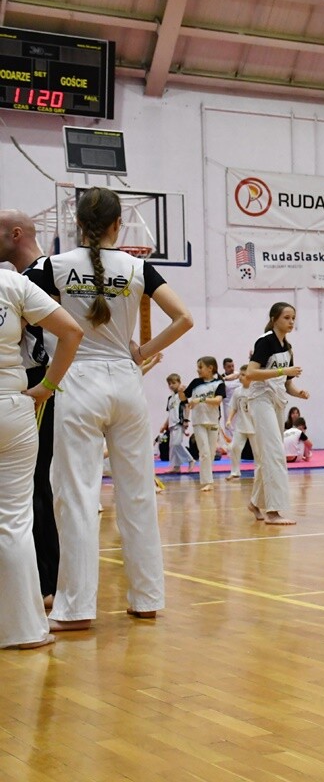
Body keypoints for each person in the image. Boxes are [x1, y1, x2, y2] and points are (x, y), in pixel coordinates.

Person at [31, 186, 194, 631]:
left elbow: (25, 316)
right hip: (126, 381)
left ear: (77, 224)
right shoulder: (138, 267)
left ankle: (76, 608)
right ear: (119, 225)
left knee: (77, 496)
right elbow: (184, 318)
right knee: (138, 493)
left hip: (77, 382)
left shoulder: (52, 267)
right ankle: (147, 598)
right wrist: (141, 352)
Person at [0, 266, 82, 649]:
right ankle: (26, 631)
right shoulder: (12, 283)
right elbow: (72, 331)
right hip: (13, 406)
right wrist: (47, 386)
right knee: (15, 522)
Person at [0, 210, 70, 608]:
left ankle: (47, 582)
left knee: (34, 484)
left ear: (15, 234)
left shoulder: (40, 274)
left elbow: (71, 332)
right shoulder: (30, 276)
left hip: (43, 381)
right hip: (40, 382)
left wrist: (47, 385)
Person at [244, 301, 309, 526]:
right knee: (274, 453)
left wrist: (299, 392)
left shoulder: (287, 347)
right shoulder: (265, 342)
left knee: (269, 455)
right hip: (261, 400)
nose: (291, 322)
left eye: (293, 318)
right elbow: (251, 373)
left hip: (278, 401)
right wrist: (283, 370)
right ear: (274, 319)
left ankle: (255, 502)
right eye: (286, 318)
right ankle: (273, 511)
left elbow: (287, 383)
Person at [185, 356, 226, 491]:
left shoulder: (219, 383)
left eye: (200, 367)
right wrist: (180, 391)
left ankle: (208, 479)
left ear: (210, 368)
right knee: (204, 452)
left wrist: (200, 400)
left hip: (213, 421)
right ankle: (208, 481)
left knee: (211, 453)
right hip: (199, 421)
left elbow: (218, 400)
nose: (198, 370)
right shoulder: (195, 383)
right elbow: (184, 396)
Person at [161, 373, 194, 473]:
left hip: (179, 423)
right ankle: (176, 467)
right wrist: (164, 425)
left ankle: (190, 459)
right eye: (169, 384)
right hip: (171, 424)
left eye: (173, 383)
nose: (171, 385)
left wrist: (186, 420)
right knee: (172, 447)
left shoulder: (181, 395)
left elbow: (187, 407)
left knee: (176, 444)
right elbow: (170, 413)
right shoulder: (170, 398)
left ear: (179, 382)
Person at [225, 364, 253, 479]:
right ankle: (235, 471)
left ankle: (260, 472)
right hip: (241, 425)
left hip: (254, 426)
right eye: (240, 374)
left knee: (258, 452)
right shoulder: (237, 391)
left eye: (243, 375)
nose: (240, 377)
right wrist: (229, 419)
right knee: (235, 447)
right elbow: (234, 407)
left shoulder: (256, 391)